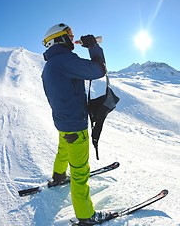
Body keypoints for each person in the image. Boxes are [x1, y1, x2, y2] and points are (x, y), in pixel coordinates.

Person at [41, 23, 113, 225]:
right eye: (69, 34)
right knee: (80, 172)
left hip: (63, 121)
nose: (72, 38)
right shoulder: (65, 60)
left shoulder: (51, 64)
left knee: (63, 148)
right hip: (75, 124)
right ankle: (86, 215)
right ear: (59, 39)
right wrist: (93, 47)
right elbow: (98, 70)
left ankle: (58, 176)